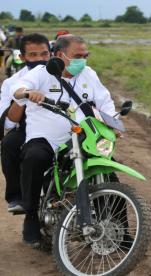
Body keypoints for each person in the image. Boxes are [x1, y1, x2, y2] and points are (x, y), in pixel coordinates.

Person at [11, 34, 116, 246]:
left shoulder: (89, 74)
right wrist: (29, 93)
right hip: (46, 139)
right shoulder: (41, 73)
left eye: (86, 55)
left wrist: (113, 123)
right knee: (34, 159)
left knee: (110, 172)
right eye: (78, 55)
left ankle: (118, 227)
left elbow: (105, 102)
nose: (83, 60)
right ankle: (31, 217)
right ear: (60, 55)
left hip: (82, 138)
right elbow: (19, 88)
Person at [0, 33, 51, 213]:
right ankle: (18, 197)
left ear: (51, 53)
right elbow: (7, 125)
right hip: (27, 130)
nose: (40, 59)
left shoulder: (63, 75)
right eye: (33, 55)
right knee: (9, 143)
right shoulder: (11, 83)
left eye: (44, 54)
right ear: (22, 57)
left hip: (61, 128)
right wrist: (22, 97)